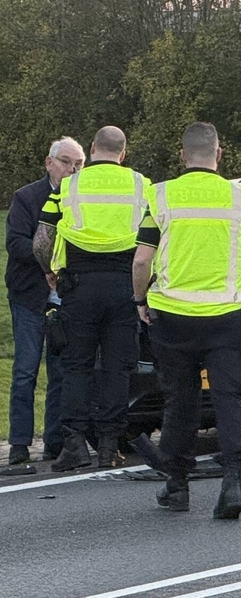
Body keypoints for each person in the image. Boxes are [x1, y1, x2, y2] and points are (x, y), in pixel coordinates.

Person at [132, 122, 241, 519]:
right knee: (230, 399)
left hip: (171, 317)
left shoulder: (161, 195)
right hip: (225, 318)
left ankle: (177, 487)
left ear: (181, 153)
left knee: (181, 401)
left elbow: (141, 258)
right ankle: (233, 482)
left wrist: (139, 300)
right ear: (219, 154)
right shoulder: (238, 196)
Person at [33, 126, 151, 471]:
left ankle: (74, 445)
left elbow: (42, 240)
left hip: (79, 286)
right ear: (123, 153)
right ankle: (109, 446)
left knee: (76, 366)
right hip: (124, 286)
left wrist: (50, 271)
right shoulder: (142, 185)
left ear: (92, 149)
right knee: (117, 369)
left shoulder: (69, 185)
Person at [5, 137, 86, 465]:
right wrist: (51, 261)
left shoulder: (81, 200)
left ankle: (54, 440)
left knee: (61, 371)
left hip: (66, 297)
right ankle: (20, 443)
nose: (72, 169)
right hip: (29, 294)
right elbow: (16, 243)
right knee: (25, 370)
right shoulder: (27, 198)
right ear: (49, 162)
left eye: (79, 164)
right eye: (66, 162)